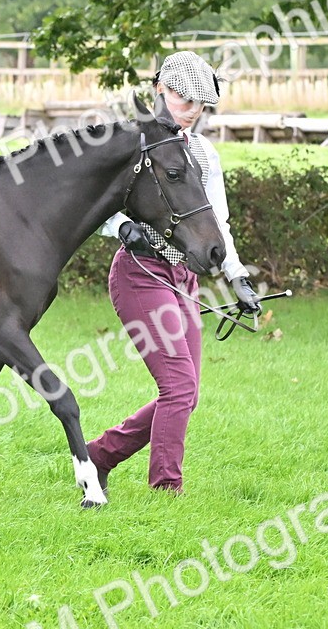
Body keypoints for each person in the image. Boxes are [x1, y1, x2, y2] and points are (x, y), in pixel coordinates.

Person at [87, 51, 260, 497]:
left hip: (185, 279)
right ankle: (167, 489)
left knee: (187, 394)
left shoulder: (203, 153)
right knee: (178, 385)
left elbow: (215, 222)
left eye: (200, 104)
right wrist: (122, 227)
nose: (192, 111)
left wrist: (236, 277)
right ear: (160, 91)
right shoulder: (129, 142)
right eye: (184, 100)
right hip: (140, 274)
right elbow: (94, 202)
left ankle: (99, 456)